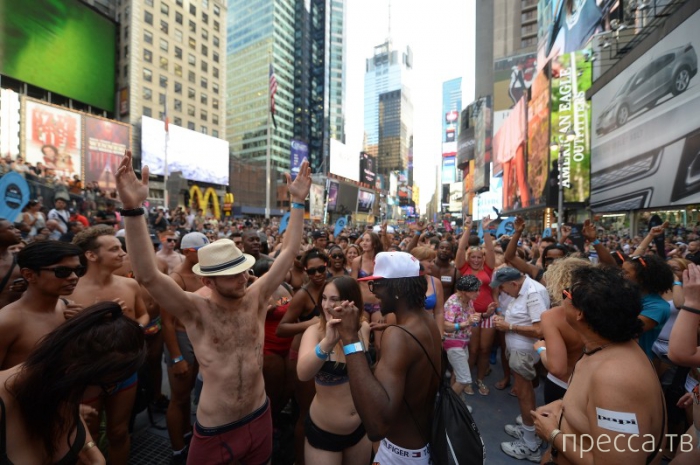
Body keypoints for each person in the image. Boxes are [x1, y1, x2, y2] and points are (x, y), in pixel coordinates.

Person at [117, 150, 312, 464]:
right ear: (207, 281)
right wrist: (132, 209)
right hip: (217, 428)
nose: (244, 277)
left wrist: (299, 202)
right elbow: (147, 275)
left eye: (243, 269)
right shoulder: (196, 310)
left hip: (260, 415)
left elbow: (289, 251)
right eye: (232, 274)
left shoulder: (256, 297)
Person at [532, 266, 667, 464]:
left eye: (566, 293)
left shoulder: (615, 378)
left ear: (580, 313)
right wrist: (562, 406)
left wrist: (552, 434)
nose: (562, 297)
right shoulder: (604, 348)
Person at [0, 301, 146, 464]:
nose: (106, 393)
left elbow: (73, 421)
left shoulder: (60, 390)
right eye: (108, 386)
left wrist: (92, 452)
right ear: (74, 372)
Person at [332, 252, 441, 465]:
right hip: (421, 447)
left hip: (399, 456)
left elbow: (376, 425)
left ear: (397, 289)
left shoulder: (399, 335)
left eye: (376, 285)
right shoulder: (428, 322)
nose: (374, 292)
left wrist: (350, 338)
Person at [70, 225, 149, 464]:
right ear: (91, 255)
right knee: (88, 437)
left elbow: (143, 315)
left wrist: (130, 328)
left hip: (125, 371)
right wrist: (90, 319)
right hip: (87, 375)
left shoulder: (129, 285)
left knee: (119, 432)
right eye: (114, 249)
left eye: (121, 248)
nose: (122, 253)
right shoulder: (70, 290)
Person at [297, 276, 372, 464]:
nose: (326, 305)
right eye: (324, 298)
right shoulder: (315, 332)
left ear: (351, 301)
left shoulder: (363, 328)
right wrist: (328, 342)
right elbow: (303, 373)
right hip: (325, 433)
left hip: (361, 429)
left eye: (334, 299)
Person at [491, 267, 549, 462]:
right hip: (520, 351)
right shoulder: (524, 288)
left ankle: (530, 444)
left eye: (503, 288)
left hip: (523, 352)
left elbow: (540, 329)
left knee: (524, 394)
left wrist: (509, 326)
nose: (502, 291)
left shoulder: (533, 293)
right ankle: (528, 429)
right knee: (525, 392)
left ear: (514, 283)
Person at [161, 231, 210, 462]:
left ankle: (187, 433)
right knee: (179, 397)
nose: (206, 255)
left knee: (192, 395)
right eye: (201, 251)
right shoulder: (175, 280)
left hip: (200, 339)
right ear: (188, 252)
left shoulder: (204, 273)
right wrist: (177, 357)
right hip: (182, 340)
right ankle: (177, 450)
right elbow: (167, 323)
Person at [0, 241, 84, 369]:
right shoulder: (8, 321)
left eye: (78, 270)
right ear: (29, 275)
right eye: (62, 271)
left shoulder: (69, 309)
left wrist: (87, 325)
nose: (74, 277)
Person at [536, 257, 590, 403]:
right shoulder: (604, 312)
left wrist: (541, 349)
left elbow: (557, 369)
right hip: (591, 387)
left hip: (562, 384)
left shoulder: (554, 316)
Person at [455, 216, 497, 396]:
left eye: (479, 257)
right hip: (469, 315)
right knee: (472, 350)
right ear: (468, 257)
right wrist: (467, 228)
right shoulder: (463, 268)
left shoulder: (488, 268)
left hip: (488, 315)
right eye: (473, 257)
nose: (476, 260)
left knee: (485, 350)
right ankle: (466, 381)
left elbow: (490, 249)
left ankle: (480, 379)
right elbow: (460, 248)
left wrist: (486, 229)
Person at [443, 275, 482, 405]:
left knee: (456, 375)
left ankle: (457, 406)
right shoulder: (453, 303)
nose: (478, 293)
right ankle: (447, 406)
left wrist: (481, 316)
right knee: (464, 379)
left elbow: (470, 319)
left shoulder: (468, 300)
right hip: (453, 342)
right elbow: (446, 326)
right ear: (465, 291)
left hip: (463, 341)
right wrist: (466, 323)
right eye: (475, 290)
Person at [410, 246, 445, 335]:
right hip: (409, 331)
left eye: (433, 261)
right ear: (417, 261)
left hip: (429, 331)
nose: (433, 264)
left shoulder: (436, 282)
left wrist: (440, 336)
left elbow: (439, 313)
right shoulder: (403, 281)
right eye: (429, 261)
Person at [0, 220, 23, 309]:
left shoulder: (20, 260)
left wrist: (26, 285)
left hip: (8, 315)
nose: (18, 231)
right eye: (11, 228)